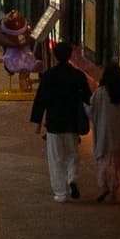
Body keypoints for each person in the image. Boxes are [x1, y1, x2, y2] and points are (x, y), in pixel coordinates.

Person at [29, 37, 93, 200]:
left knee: (56, 158)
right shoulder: (78, 75)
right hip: (72, 121)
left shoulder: (49, 76)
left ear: (55, 56)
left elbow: (41, 99)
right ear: (70, 55)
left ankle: (60, 193)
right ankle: (72, 178)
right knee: (72, 154)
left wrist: (37, 122)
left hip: (54, 122)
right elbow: (88, 97)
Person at [90, 60, 120, 201]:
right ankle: (114, 192)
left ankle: (105, 187)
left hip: (103, 135)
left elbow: (91, 111)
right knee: (117, 163)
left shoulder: (99, 93)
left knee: (104, 161)